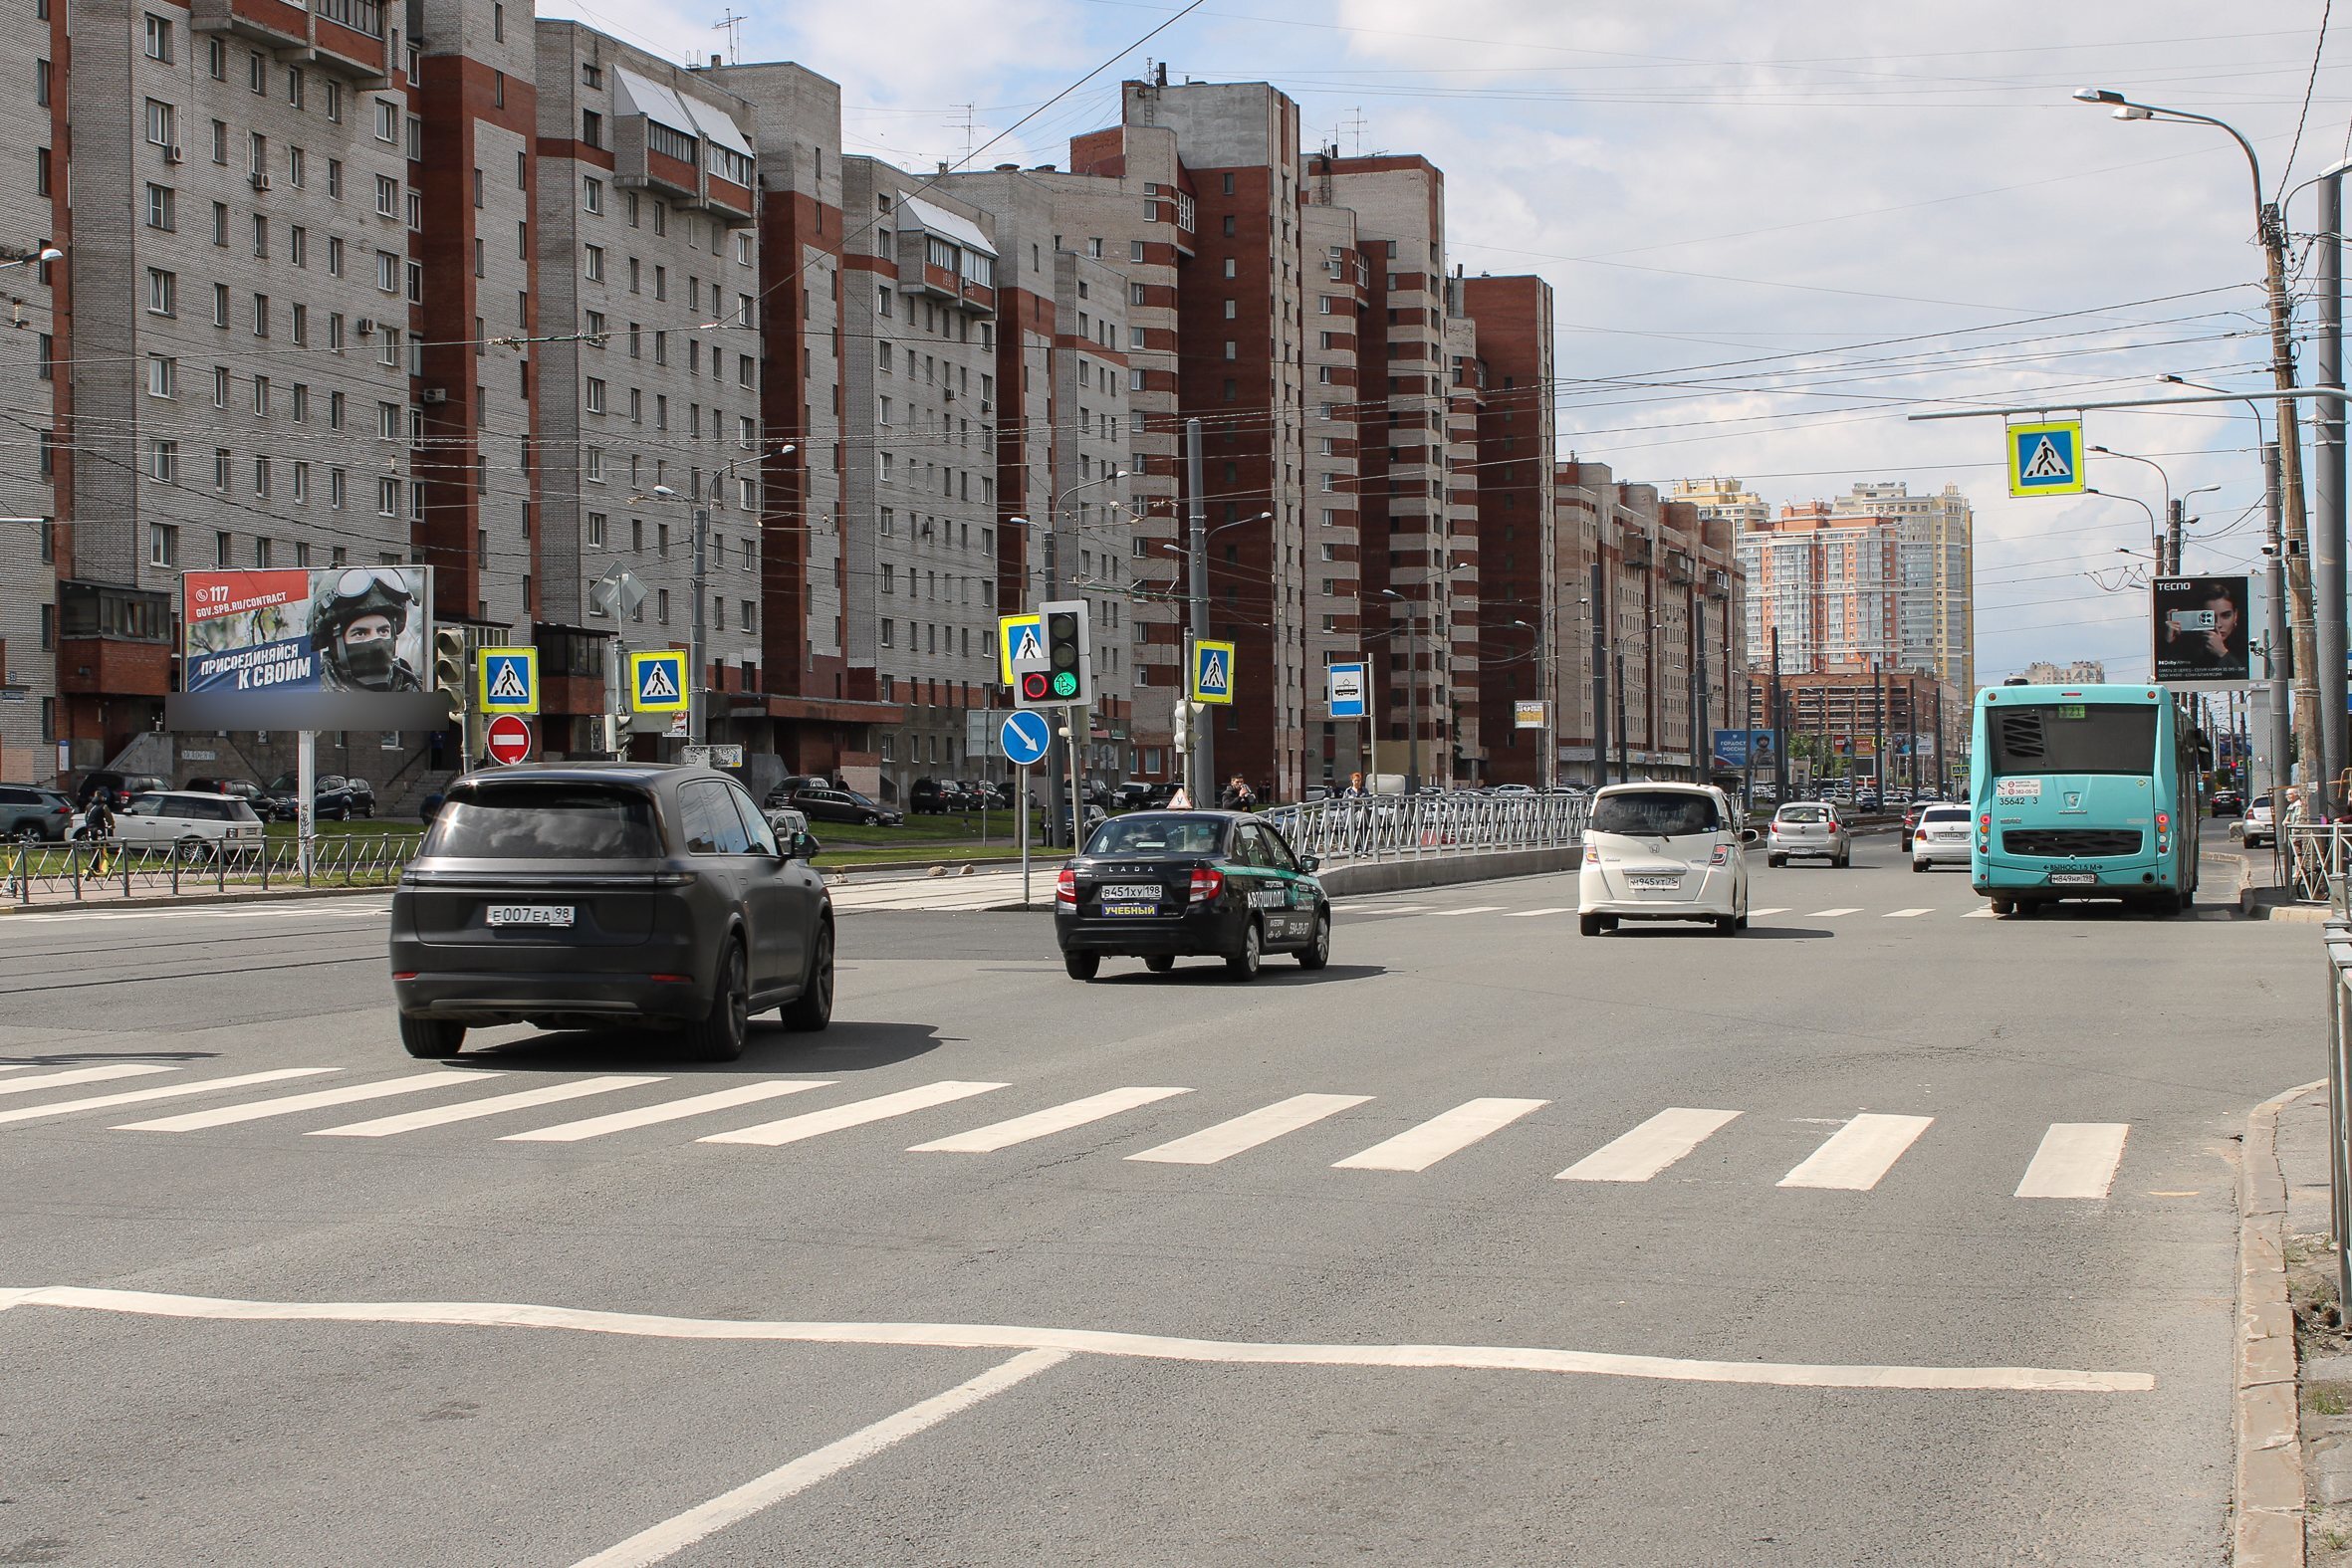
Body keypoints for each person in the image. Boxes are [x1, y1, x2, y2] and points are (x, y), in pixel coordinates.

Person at [310, 567, 423, 693]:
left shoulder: (417, 688)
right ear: (334, 643)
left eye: (383, 631)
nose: (377, 643)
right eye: (360, 633)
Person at [82, 793, 117, 877]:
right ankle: (99, 867)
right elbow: (109, 817)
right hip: (99, 829)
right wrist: (111, 825)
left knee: (93, 848)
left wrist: (88, 826)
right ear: (101, 797)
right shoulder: (103, 806)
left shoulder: (88, 806)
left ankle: (94, 866)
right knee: (102, 848)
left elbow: (86, 818)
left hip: (90, 829)